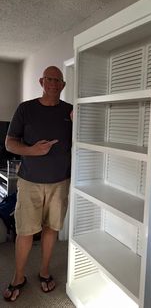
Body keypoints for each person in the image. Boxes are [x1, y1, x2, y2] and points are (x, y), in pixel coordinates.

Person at [3, 66, 73, 302]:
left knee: (52, 228)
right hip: (30, 181)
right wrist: (31, 150)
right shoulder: (26, 109)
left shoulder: (70, 112)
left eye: (58, 80)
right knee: (25, 231)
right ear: (41, 81)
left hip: (60, 182)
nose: (53, 83)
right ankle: (18, 276)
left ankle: (44, 271)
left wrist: (80, 122)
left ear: (63, 85)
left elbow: (83, 140)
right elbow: (10, 143)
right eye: (49, 79)